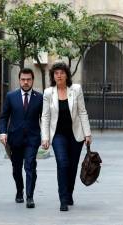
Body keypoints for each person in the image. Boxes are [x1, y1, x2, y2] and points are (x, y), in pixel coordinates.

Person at [41, 62, 92, 211]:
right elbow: (45, 116)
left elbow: (82, 112)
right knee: (62, 163)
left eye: (62, 72)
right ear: (53, 76)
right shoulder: (48, 93)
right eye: (56, 73)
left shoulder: (76, 90)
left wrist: (87, 133)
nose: (59, 75)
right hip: (57, 135)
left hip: (76, 134)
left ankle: (69, 193)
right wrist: (45, 137)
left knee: (72, 166)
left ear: (67, 75)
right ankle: (63, 199)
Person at [0, 68, 43, 209]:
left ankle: (30, 196)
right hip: (15, 138)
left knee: (30, 166)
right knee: (16, 169)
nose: (25, 82)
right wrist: (3, 132)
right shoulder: (11, 96)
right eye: (23, 79)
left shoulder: (40, 97)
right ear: (19, 80)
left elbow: (45, 118)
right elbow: (4, 117)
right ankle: (19, 190)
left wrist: (46, 136)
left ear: (32, 80)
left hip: (32, 138)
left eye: (28, 79)